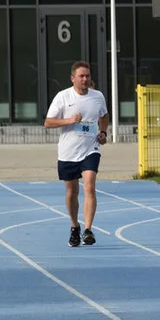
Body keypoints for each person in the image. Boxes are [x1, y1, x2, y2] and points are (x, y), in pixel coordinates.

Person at [44, 61, 109, 247]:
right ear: (73, 78)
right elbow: (48, 122)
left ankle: (88, 230)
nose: (85, 79)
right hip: (68, 151)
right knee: (72, 191)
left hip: (91, 148)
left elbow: (104, 116)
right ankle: (75, 227)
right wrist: (69, 120)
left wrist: (103, 132)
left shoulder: (97, 97)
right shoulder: (62, 97)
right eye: (81, 76)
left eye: (87, 75)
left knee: (89, 186)